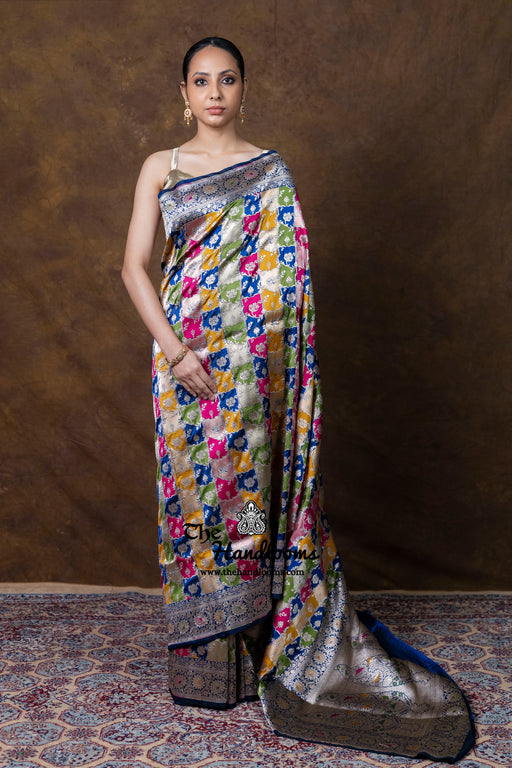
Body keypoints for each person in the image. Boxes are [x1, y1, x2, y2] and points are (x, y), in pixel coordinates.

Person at [122, 36, 475, 761]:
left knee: (250, 504)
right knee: (194, 505)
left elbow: (287, 281)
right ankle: (205, 659)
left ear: (243, 89)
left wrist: (262, 368)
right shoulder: (163, 166)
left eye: (226, 80)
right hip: (184, 367)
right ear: (182, 94)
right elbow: (133, 268)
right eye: (200, 81)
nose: (214, 93)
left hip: (255, 377)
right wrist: (178, 352)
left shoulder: (271, 171)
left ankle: (253, 645)